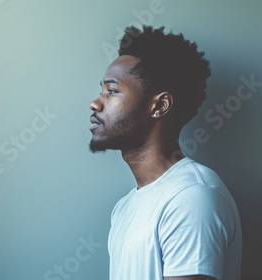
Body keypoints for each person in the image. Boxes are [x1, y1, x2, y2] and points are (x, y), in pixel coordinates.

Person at [88, 25, 242, 280]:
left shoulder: (192, 197)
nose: (95, 103)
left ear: (159, 106)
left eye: (112, 91)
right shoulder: (124, 208)